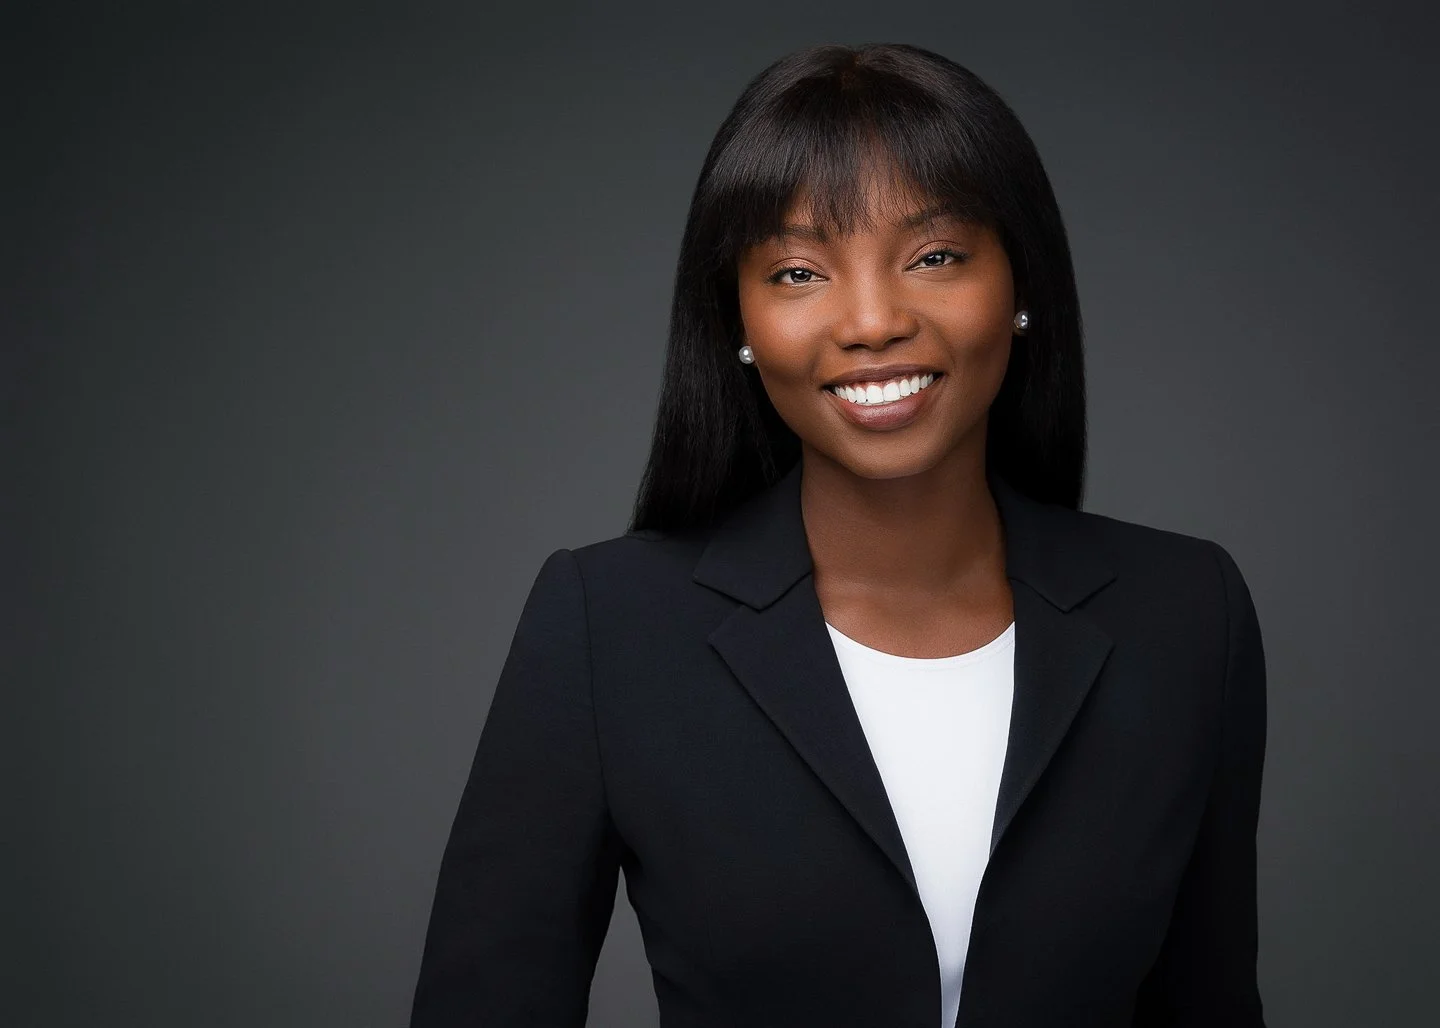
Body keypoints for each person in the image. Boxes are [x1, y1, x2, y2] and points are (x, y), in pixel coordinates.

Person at [409, 42, 1268, 1028]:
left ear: (1019, 280)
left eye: (934, 255)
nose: (871, 321)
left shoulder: (1186, 615)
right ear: (738, 319)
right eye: (798, 271)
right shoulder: (609, 626)